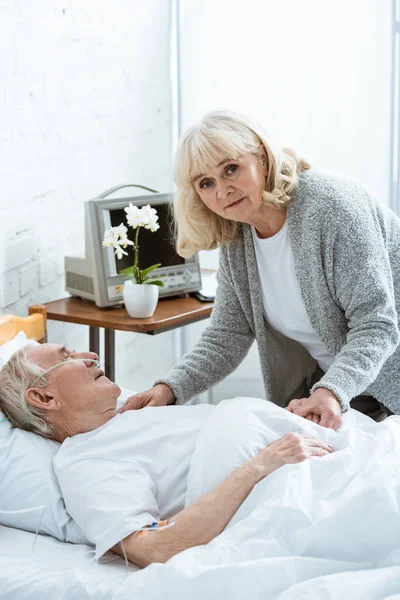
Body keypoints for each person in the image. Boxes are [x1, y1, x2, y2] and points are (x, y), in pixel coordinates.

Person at [120, 110, 400, 427]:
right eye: (206, 183)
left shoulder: (332, 206)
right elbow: (227, 334)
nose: (223, 191)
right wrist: (169, 388)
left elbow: (376, 325)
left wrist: (333, 391)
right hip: (342, 389)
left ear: (263, 158)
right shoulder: (238, 234)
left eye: (231, 169)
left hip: (384, 382)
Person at [0, 342, 332, 568]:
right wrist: (264, 462)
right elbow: (152, 546)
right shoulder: (86, 464)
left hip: (317, 449)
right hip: (296, 489)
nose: (90, 355)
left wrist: (280, 421)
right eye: (66, 356)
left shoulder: (129, 415)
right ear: (44, 398)